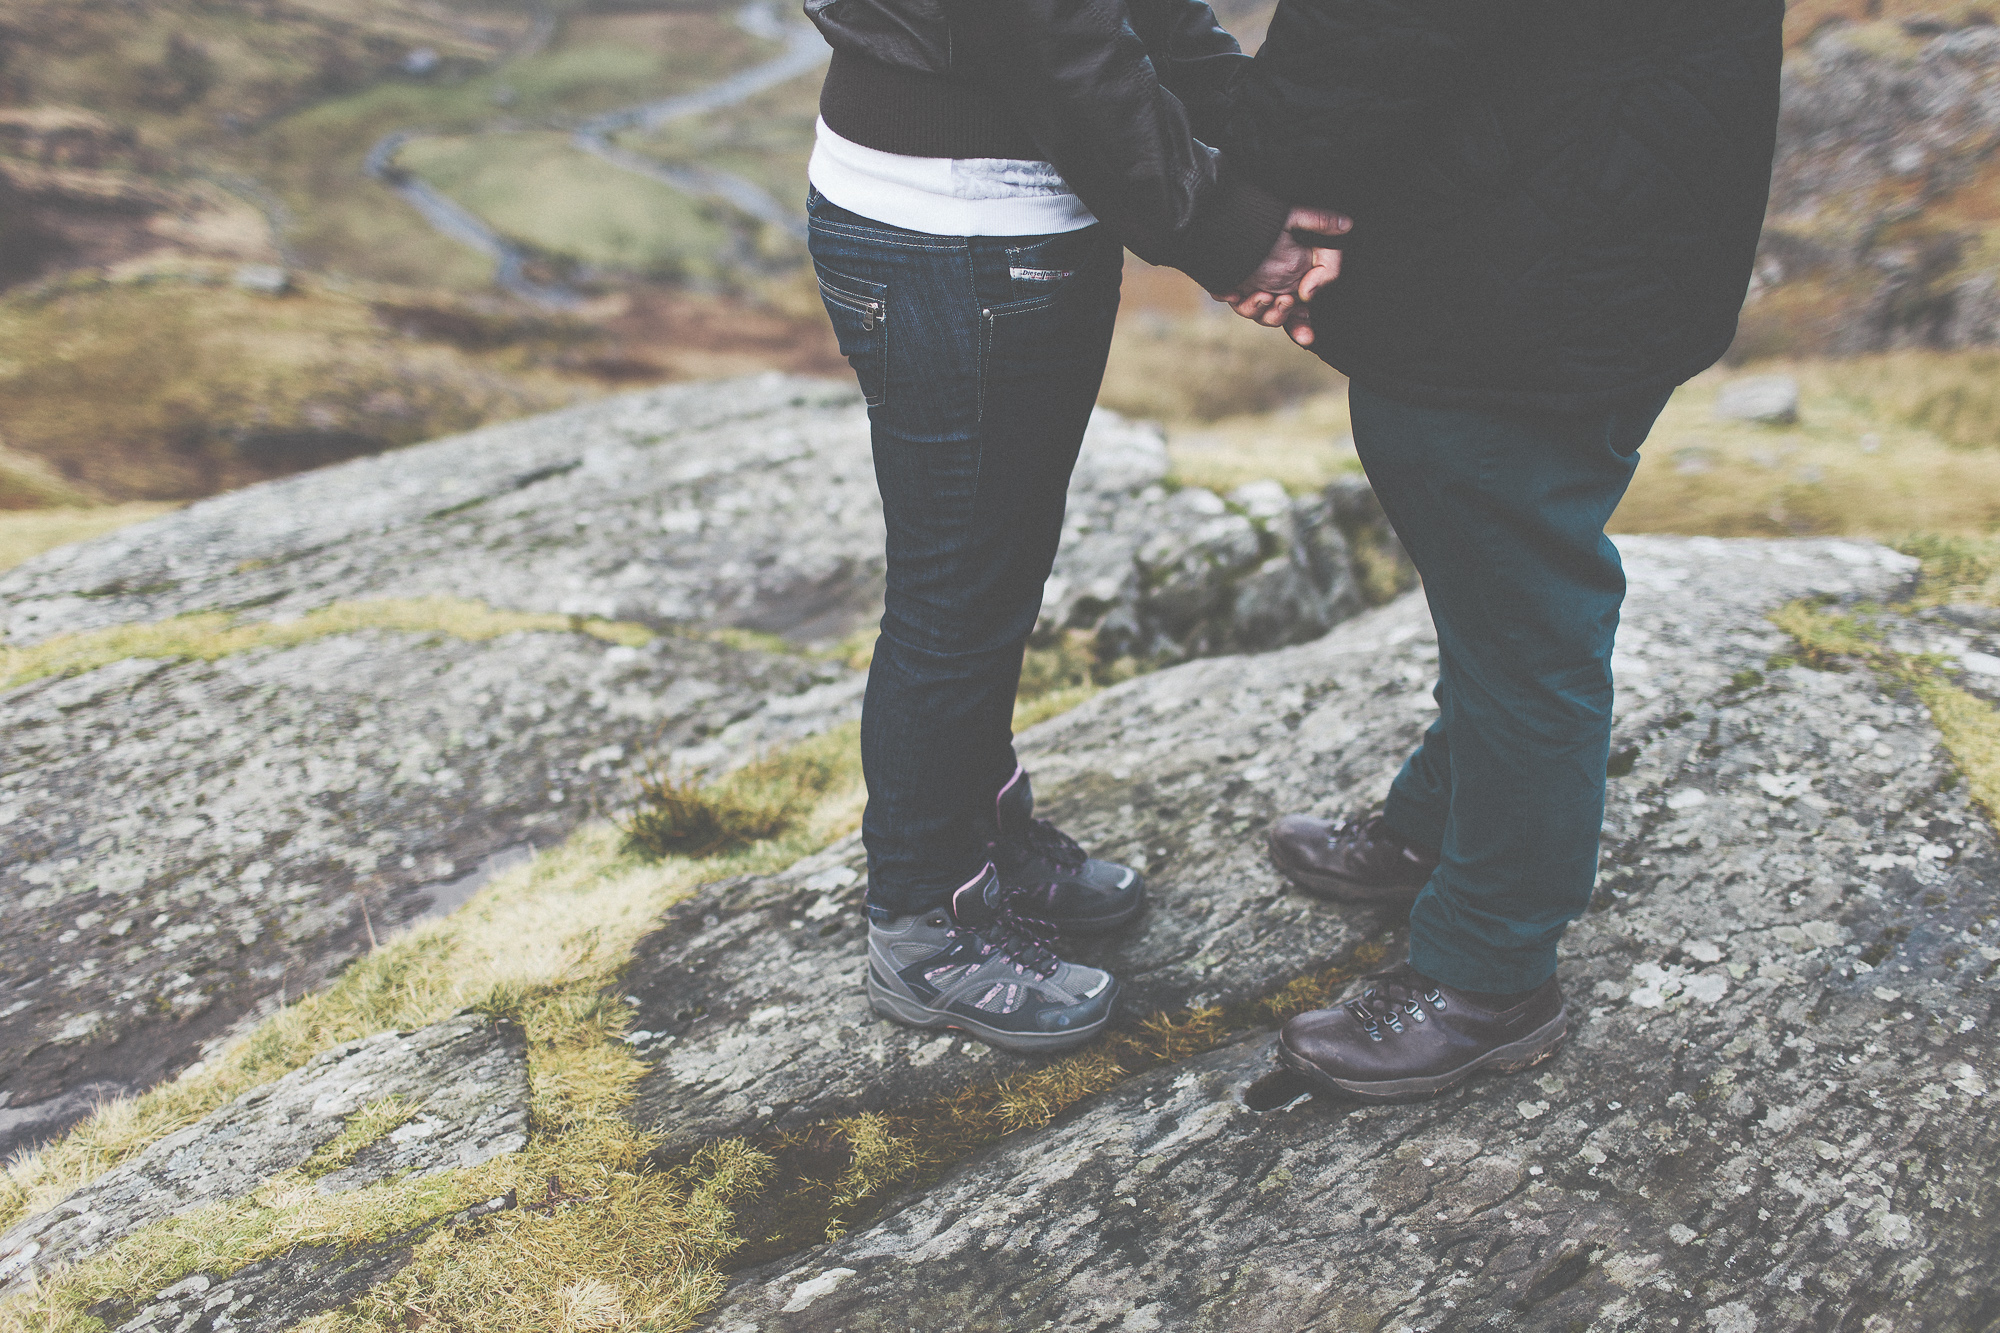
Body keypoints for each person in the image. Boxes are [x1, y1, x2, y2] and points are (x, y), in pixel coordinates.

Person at [1212, 0, 1786, 1100]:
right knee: (1505, 586)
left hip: (1508, 276)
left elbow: (1354, 51)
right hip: (1625, 243)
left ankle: (1486, 972)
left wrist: (1246, 171)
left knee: (1525, 617)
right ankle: (1431, 825)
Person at [801, 0, 1348, 1052]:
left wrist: (1267, 143)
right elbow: (1048, 31)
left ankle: (984, 839)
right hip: (956, 228)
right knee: (955, 591)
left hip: (979, 221)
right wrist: (1231, 230)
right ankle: (921, 923)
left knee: (991, 573)